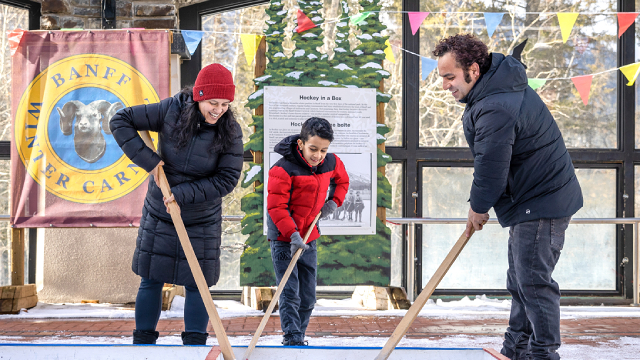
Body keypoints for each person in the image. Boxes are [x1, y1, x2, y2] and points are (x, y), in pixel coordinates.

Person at [433, 34, 583, 360]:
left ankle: (542, 355)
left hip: (542, 200)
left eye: (450, 76)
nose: (444, 85)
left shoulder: (496, 105)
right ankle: (515, 350)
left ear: (473, 69)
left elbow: (491, 166)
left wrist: (478, 208)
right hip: (531, 200)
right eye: (442, 77)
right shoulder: (495, 91)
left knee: (533, 283)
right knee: (520, 281)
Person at [110, 63, 243, 345]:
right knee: (151, 278)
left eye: (224, 104)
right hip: (160, 214)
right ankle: (143, 344)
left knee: (198, 284)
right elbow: (120, 120)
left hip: (202, 219)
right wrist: (149, 161)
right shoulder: (171, 110)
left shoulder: (231, 130)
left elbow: (227, 179)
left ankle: (194, 346)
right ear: (198, 96)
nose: (218, 110)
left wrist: (181, 194)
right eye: (212, 102)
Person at [266, 117, 349, 346]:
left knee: (308, 295)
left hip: (309, 235)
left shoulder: (330, 162)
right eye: (313, 149)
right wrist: (292, 235)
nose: (318, 155)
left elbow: (342, 182)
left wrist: (334, 202)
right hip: (284, 238)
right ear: (301, 143)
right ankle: (292, 337)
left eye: (323, 150)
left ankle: (299, 334)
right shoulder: (282, 169)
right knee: (290, 291)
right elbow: (276, 207)